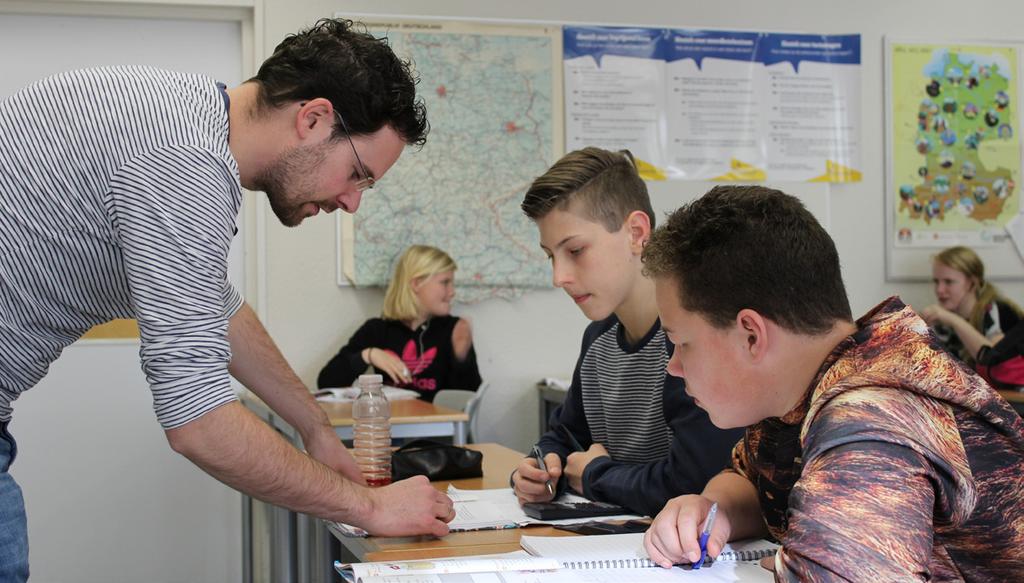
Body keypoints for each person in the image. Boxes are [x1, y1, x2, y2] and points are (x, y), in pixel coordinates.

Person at [0, 18, 456, 581]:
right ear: (312, 119)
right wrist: (368, 506)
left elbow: (220, 307)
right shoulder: (184, 166)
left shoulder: (177, 115)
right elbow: (198, 421)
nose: (351, 202)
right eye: (356, 175)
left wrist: (313, 427)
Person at [641, 185, 1024, 580]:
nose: (674, 366)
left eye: (681, 343)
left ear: (751, 336)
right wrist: (713, 509)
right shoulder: (800, 390)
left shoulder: (872, 415)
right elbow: (751, 478)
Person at [512, 147, 743, 517]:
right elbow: (566, 436)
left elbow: (693, 485)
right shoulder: (598, 340)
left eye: (575, 250)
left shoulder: (690, 340)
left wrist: (594, 476)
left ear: (636, 233)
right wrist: (542, 467)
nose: (559, 277)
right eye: (550, 256)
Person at [318, 245, 482, 402]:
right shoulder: (377, 329)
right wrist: (368, 355)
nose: (452, 292)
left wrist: (462, 359)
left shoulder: (453, 329)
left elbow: (468, 400)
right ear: (416, 284)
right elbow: (326, 383)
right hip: (388, 428)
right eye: (445, 282)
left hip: (435, 429)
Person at [920, 245, 1024, 388]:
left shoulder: (1000, 312)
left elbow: (995, 362)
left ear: (972, 283)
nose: (939, 290)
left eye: (948, 282)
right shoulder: (942, 321)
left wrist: (954, 321)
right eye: (936, 281)